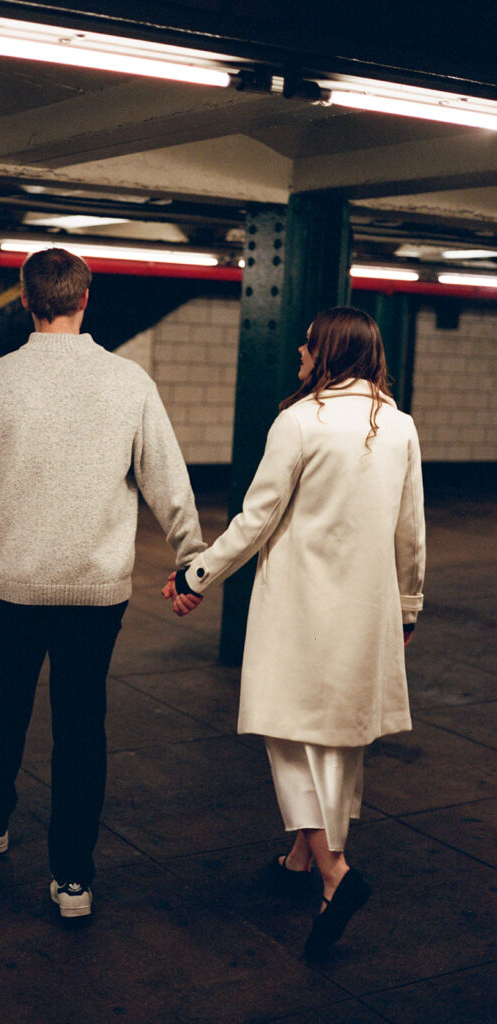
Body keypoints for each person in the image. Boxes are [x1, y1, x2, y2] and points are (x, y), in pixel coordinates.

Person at [0, 247, 205, 920]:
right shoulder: (129, 382)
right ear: (86, 300)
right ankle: (73, 882)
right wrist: (190, 555)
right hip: (96, 590)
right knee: (81, 726)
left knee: (4, 705)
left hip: (11, 585)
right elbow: (167, 481)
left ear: (26, 302)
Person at [163, 306, 425, 957]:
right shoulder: (398, 426)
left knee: (285, 733)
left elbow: (254, 521)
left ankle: (334, 873)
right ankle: (301, 860)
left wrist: (196, 575)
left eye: (307, 347)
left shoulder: (298, 422)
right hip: (366, 609)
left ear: (329, 353)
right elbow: (410, 531)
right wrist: (408, 606)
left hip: (299, 608)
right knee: (337, 738)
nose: (298, 357)